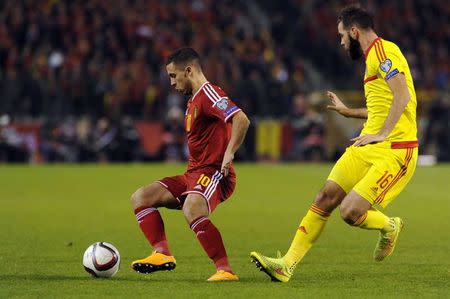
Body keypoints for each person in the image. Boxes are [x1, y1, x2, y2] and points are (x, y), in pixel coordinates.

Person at [250, 5, 418, 282]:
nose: (340, 42)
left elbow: (403, 96)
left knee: (350, 212)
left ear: (354, 31)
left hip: (395, 150)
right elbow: (383, 106)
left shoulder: (383, 52)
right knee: (325, 197)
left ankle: (389, 226)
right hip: (367, 145)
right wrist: (348, 111)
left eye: (342, 35)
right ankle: (286, 265)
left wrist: (383, 132)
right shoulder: (373, 59)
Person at [130, 48, 250, 281]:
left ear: (189, 70)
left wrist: (229, 153)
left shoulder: (209, 93)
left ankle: (225, 270)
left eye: (174, 76)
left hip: (215, 172)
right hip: (193, 174)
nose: (172, 83)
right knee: (141, 197)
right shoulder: (194, 100)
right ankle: (162, 253)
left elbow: (241, 119)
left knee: (192, 208)